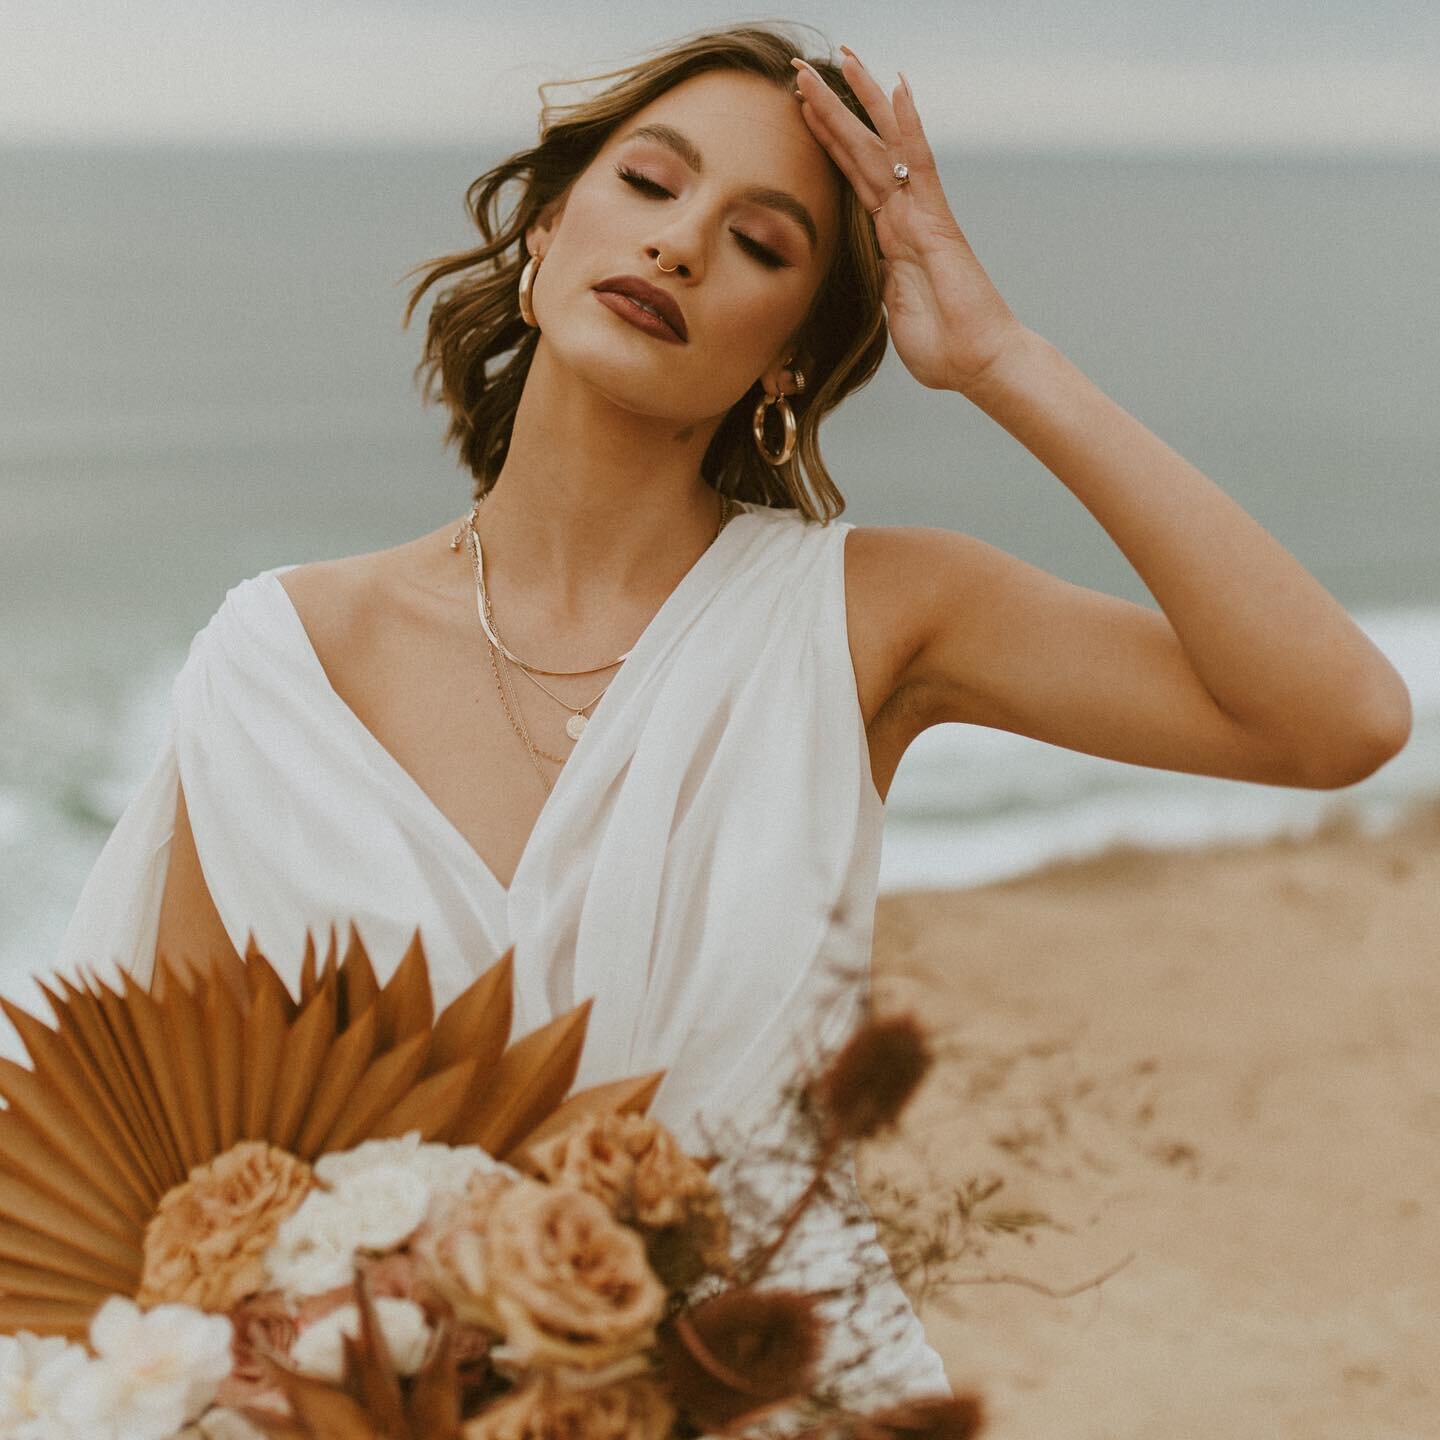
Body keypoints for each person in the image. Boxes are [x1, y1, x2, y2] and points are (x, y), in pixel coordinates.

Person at [55, 21, 1411, 1410]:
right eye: (650, 184)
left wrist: (1000, 357)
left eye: (763, 244)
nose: (682, 244)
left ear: (785, 364)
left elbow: (1337, 718)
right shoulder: (283, 663)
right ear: (543, 239)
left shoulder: (870, 616)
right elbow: (173, 1163)